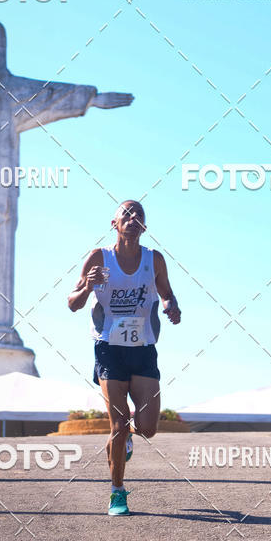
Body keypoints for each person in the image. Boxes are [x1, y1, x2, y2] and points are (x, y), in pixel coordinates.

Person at [68, 200, 181, 515]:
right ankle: (117, 493)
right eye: (127, 214)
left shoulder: (153, 260)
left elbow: (168, 293)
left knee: (146, 428)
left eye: (139, 215)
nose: (133, 218)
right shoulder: (100, 259)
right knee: (118, 424)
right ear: (113, 223)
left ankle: (127, 440)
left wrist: (172, 306)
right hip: (109, 348)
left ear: (144, 226)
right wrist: (88, 287)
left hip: (143, 349)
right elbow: (72, 303)